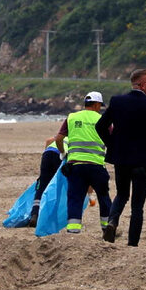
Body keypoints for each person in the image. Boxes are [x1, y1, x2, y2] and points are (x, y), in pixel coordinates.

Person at [95, 68, 146, 247]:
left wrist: (113, 145)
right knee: (138, 204)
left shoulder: (117, 101)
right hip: (144, 160)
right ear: (143, 84)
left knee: (121, 194)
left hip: (122, 158)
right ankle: (132, 243)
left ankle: (112, 222)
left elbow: (100, 126)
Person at [52, 91, 113, 235]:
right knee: (103, 196)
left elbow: (59, 139)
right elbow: (113, 142)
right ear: (97, 104)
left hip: (76, 166)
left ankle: (73, 230)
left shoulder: (72, 118)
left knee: (75, 197)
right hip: (97, 166)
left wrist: (63, 153)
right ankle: (107, 227)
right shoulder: (103, 119)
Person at [28, 134, 64, 229]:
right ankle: (52, 217)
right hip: (59, 156)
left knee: (42, 185)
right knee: (58, 187)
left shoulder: (61, 135)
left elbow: (48, 140)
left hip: (48, 153)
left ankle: (34, 214)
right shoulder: (76, 136)